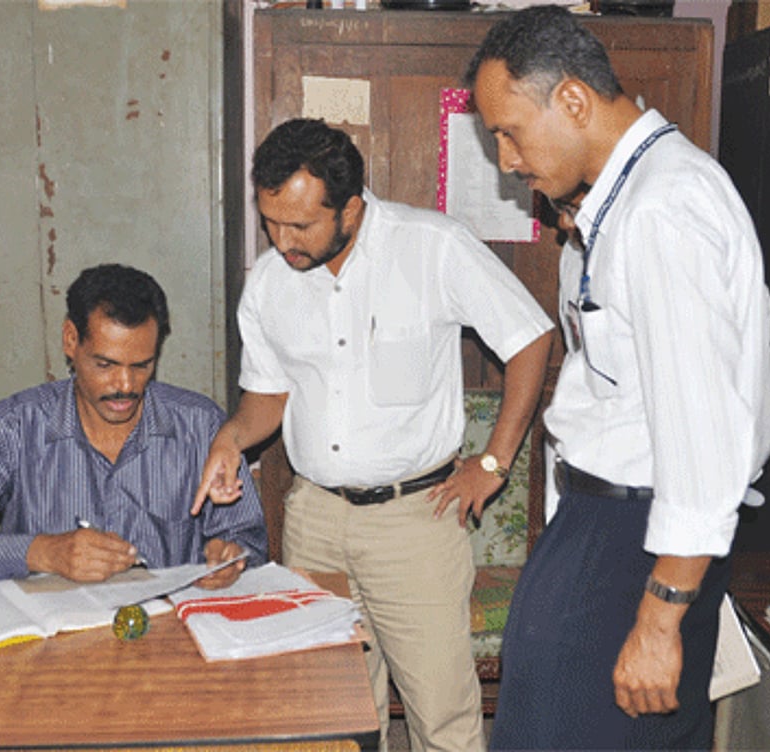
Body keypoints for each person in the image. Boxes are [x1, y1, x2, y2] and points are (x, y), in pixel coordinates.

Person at [465, 7, 770, 750]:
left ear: (573, 100)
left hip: (635, 542)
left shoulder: (662, 211)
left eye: (510, 131)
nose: (507, 160)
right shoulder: (621, 201)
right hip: (614, 527)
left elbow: (704, 429)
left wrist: (660, 616)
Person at [190, 118, 554, 752]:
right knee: (332, 711)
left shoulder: (432, 246)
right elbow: (268, 397)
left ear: (351, 208)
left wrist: (492, 465)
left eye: (301, 225)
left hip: (415, 521)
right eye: (271, 221)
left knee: (440, 718)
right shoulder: (270, 283)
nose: (283, 241)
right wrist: (231, 438)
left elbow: (530, 337)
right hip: (314, 522)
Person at [0, 263, 268, 587]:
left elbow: (247, 539)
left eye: (141, 366)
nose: (125, 386)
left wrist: (231, 557)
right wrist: (40, 552)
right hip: (50, 644)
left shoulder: (201, 427)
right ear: (71, 340)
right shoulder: (14, 428)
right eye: (105, 364)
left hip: (168, 642)